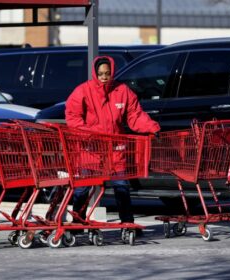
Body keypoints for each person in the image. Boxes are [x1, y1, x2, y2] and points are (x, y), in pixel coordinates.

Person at [65, 56, 160, 233]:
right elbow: (73, 117)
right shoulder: (83, 91)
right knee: (82, 188)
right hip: (91, 148)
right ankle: (77, 223)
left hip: (116, 148)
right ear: (95, 73)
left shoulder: (122, 91)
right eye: (100, 74)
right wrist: (88, 134)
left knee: (121, 186)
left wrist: (151, 127)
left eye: (107, 73)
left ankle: (127, 223)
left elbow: (135, 115)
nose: (104, 77)